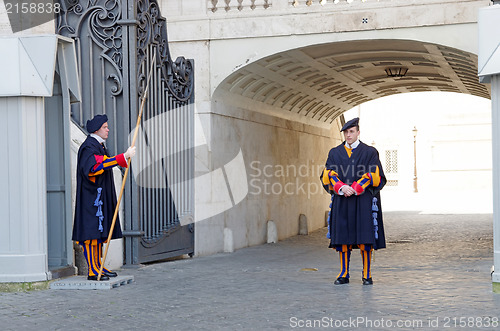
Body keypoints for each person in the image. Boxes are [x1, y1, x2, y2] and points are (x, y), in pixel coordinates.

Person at [320, 117, 386, 285]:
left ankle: (367, 274)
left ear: (358, 132)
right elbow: (329, 174)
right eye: (346, 132)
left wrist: (357, 187)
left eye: (351, 132)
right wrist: (341, 187)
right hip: (342, 200)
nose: (348, 135)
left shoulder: (370, 152)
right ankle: (344, 273)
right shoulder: (335, 153)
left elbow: (374, 174)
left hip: (362, 200)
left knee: (365, 237)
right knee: (342, 238)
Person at [72, 114, 136, 281]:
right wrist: (122, 157)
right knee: (91, 235)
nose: (108, 129)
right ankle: (93, 270)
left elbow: (104, 161)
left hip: (98, 197)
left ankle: (98, 266)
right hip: (91, 198)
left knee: (99, 234)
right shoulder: (88, 147)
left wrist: (121, 160)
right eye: (105, 127)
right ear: (97, 129)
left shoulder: (98, 145)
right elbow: (94, 167)